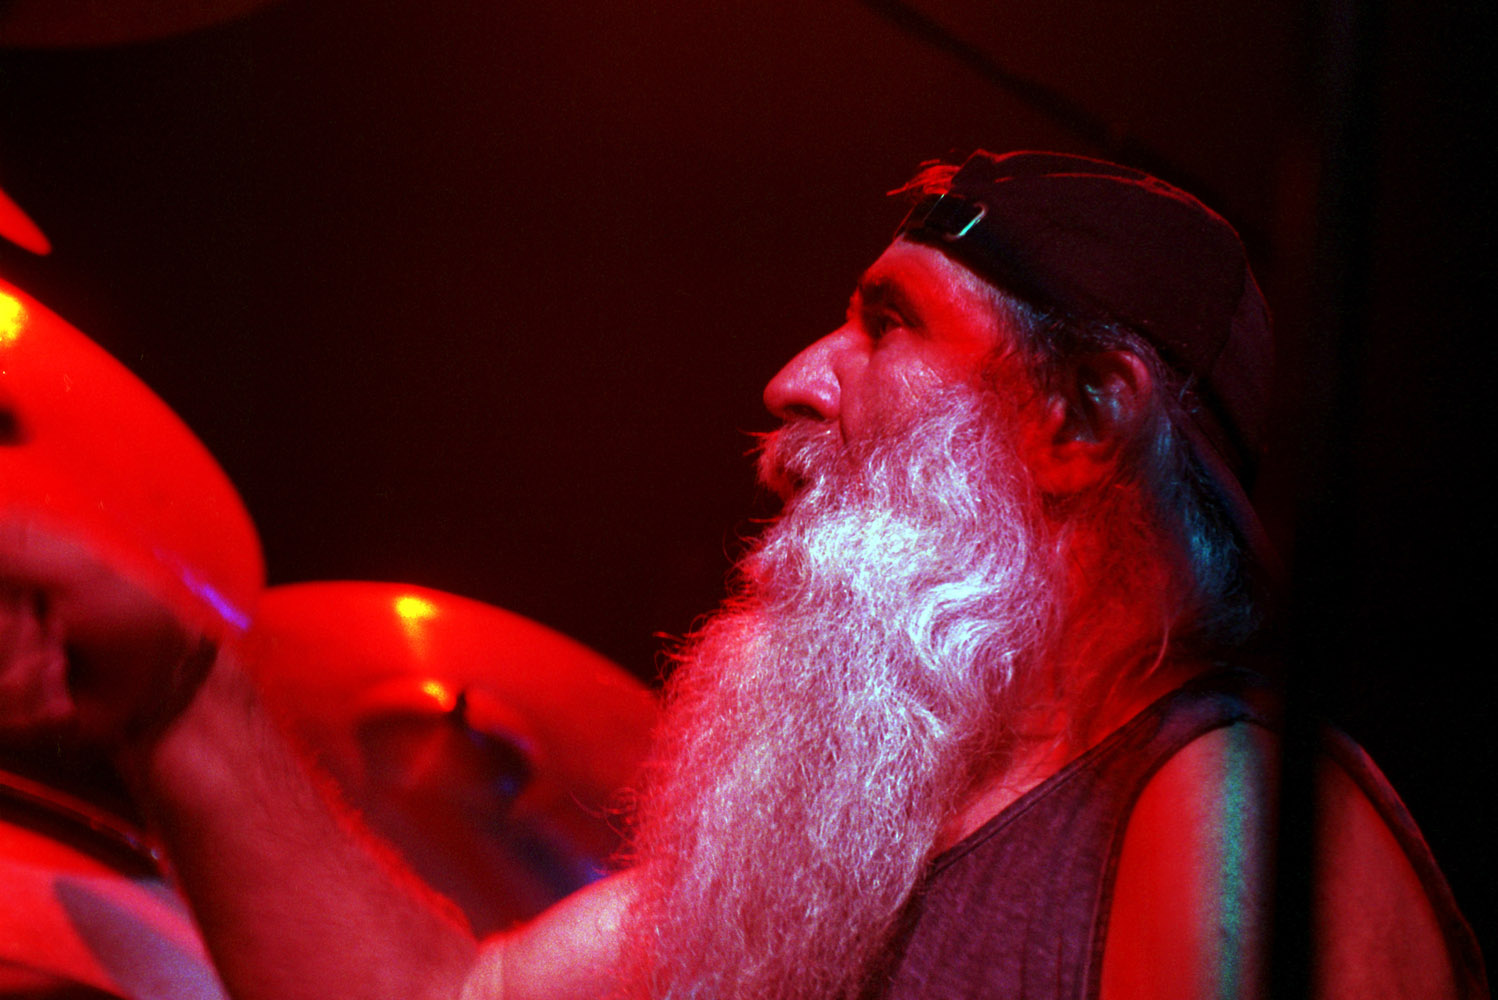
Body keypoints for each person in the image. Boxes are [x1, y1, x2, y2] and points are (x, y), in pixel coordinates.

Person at [1, 150, 1486, 1000]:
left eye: (889, 323)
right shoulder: (836, 866)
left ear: (1079, 420)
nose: (793, 379)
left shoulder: (1226, 808)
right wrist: (181, 704)